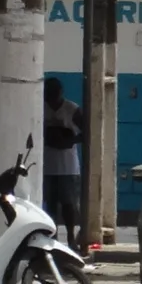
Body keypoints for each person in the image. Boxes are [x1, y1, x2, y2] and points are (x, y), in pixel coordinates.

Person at [40, 76, 84, 249]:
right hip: (46, 165)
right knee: (49, 204)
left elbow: (85, 133)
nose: (50, 98)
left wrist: (69, 141)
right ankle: (53, 236)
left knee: (68, 204)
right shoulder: (40, 106)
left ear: (60, 93)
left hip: (67, 165)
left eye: (53, 94)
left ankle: (71, 237)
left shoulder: (72, 109)